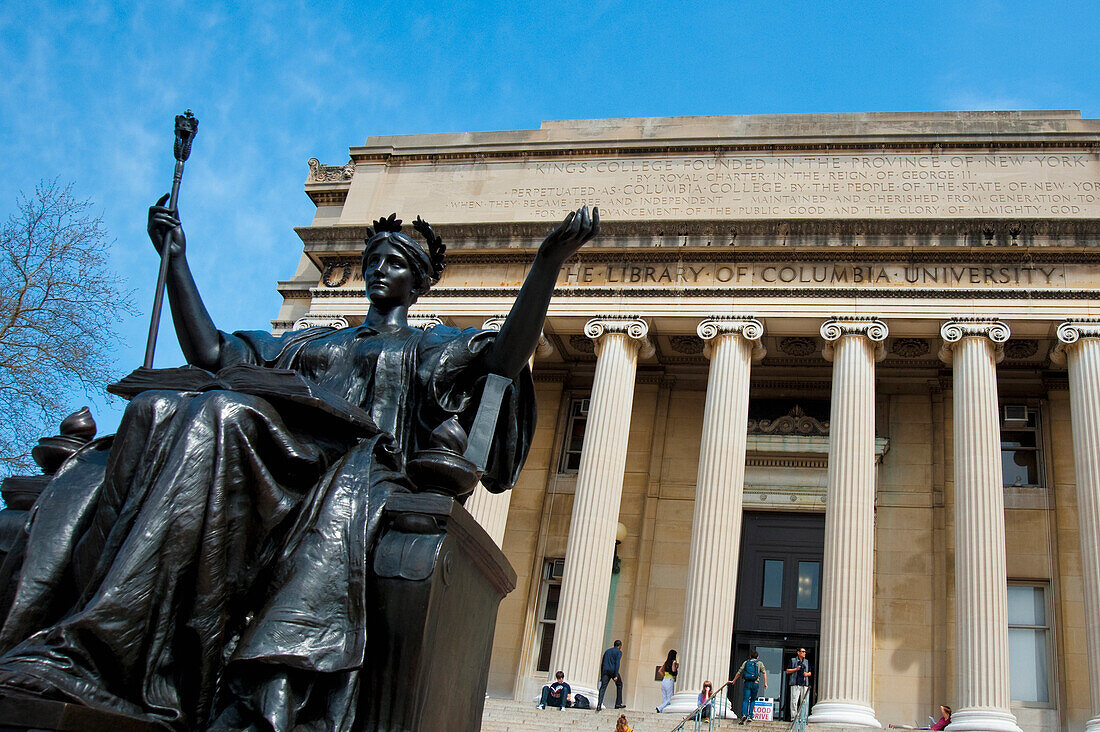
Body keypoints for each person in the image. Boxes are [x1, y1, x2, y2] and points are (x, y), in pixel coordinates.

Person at [0, 201, 599, 732]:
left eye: (394, 263)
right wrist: (175, 260)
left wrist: (545, 264)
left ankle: (109, 644)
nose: (378, 270)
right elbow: (210, 351)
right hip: (272, 466)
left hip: (351, 470)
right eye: (373, 260)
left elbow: (505, 355)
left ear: (417, 284)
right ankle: (101, 648)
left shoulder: (430, 347)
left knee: (229, 417)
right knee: (164, 407)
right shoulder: (303, 343)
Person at [732, 650, 768, 724]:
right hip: (755, 683)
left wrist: (734, 680)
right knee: (752, 700)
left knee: (745, 699)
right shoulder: (759, 663)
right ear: (757, 657)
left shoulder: (746, 662)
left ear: (750, 657)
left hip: (747, 683)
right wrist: (765, 683)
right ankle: (750, 716)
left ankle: (744, 714)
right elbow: (764, 673)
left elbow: (739, 672)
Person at [597, 639, 625, 711]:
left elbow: (602, 663)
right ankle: (618, 704)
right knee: (619, 685)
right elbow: (617, 663)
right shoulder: (619, 652)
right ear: (619, 646)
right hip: (613, 671)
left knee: (603, 687)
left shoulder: (607, 651)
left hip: (605, 671)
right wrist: (616, 675)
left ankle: (599, 704)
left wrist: (601, 675)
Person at [786, 647, 812, 719]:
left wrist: (807, 674)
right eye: (803, 651)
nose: (804, 653)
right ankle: (794, 717)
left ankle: (802, 717)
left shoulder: (806, 662)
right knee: (794, 700)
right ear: (798, 652)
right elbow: (787, 671)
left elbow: (810, 672)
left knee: (804, 702)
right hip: (795, 683)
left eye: (805, 652)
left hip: (804, 684)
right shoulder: (793, 660)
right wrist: (796, 669)